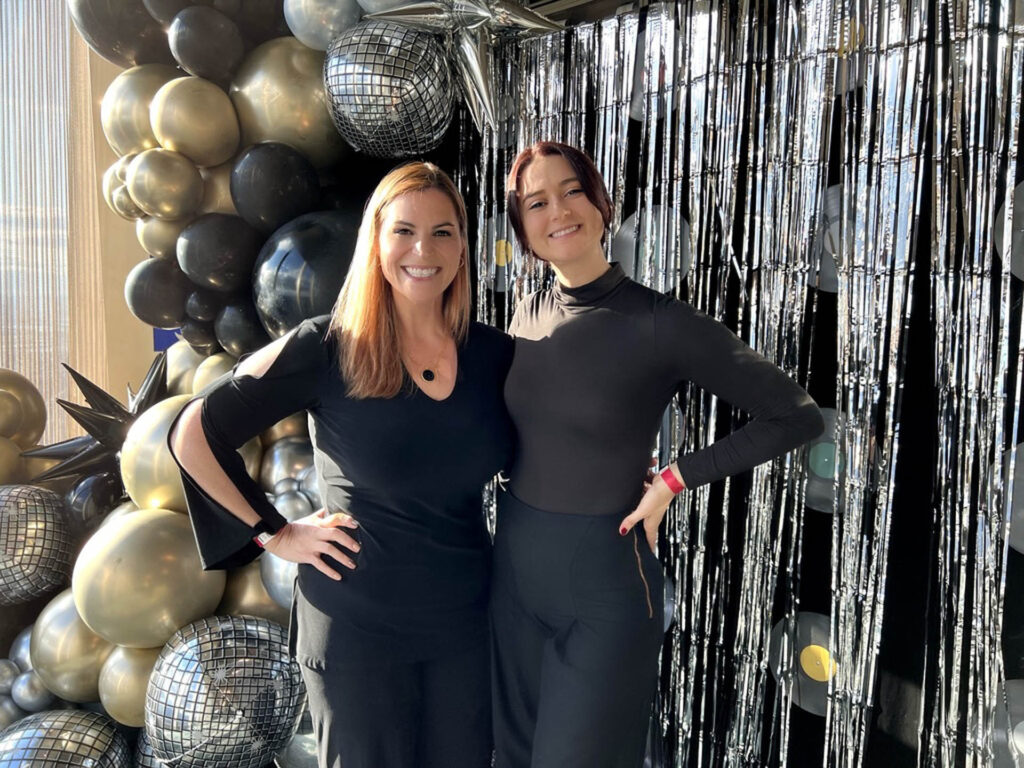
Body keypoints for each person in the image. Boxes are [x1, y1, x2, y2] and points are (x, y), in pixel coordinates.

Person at [491, 141, 825, 768]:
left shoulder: (658, 320)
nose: (559, 210)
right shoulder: (525, 313)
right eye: (536, 203)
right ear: (523, 230)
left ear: (601, 203)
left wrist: (675, 478)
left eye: (572, 191)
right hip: (511, 579)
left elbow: (796, 415)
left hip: (602, 587)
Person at [168, 162, 513, 768]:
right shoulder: (327, 346)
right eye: (404, 231)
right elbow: (193, 432)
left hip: (464, 625)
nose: (423, 250)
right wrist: (276, 534)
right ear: (375, 242)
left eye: (443, 232)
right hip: (358, 632)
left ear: (463, 247)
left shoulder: (492, 354)